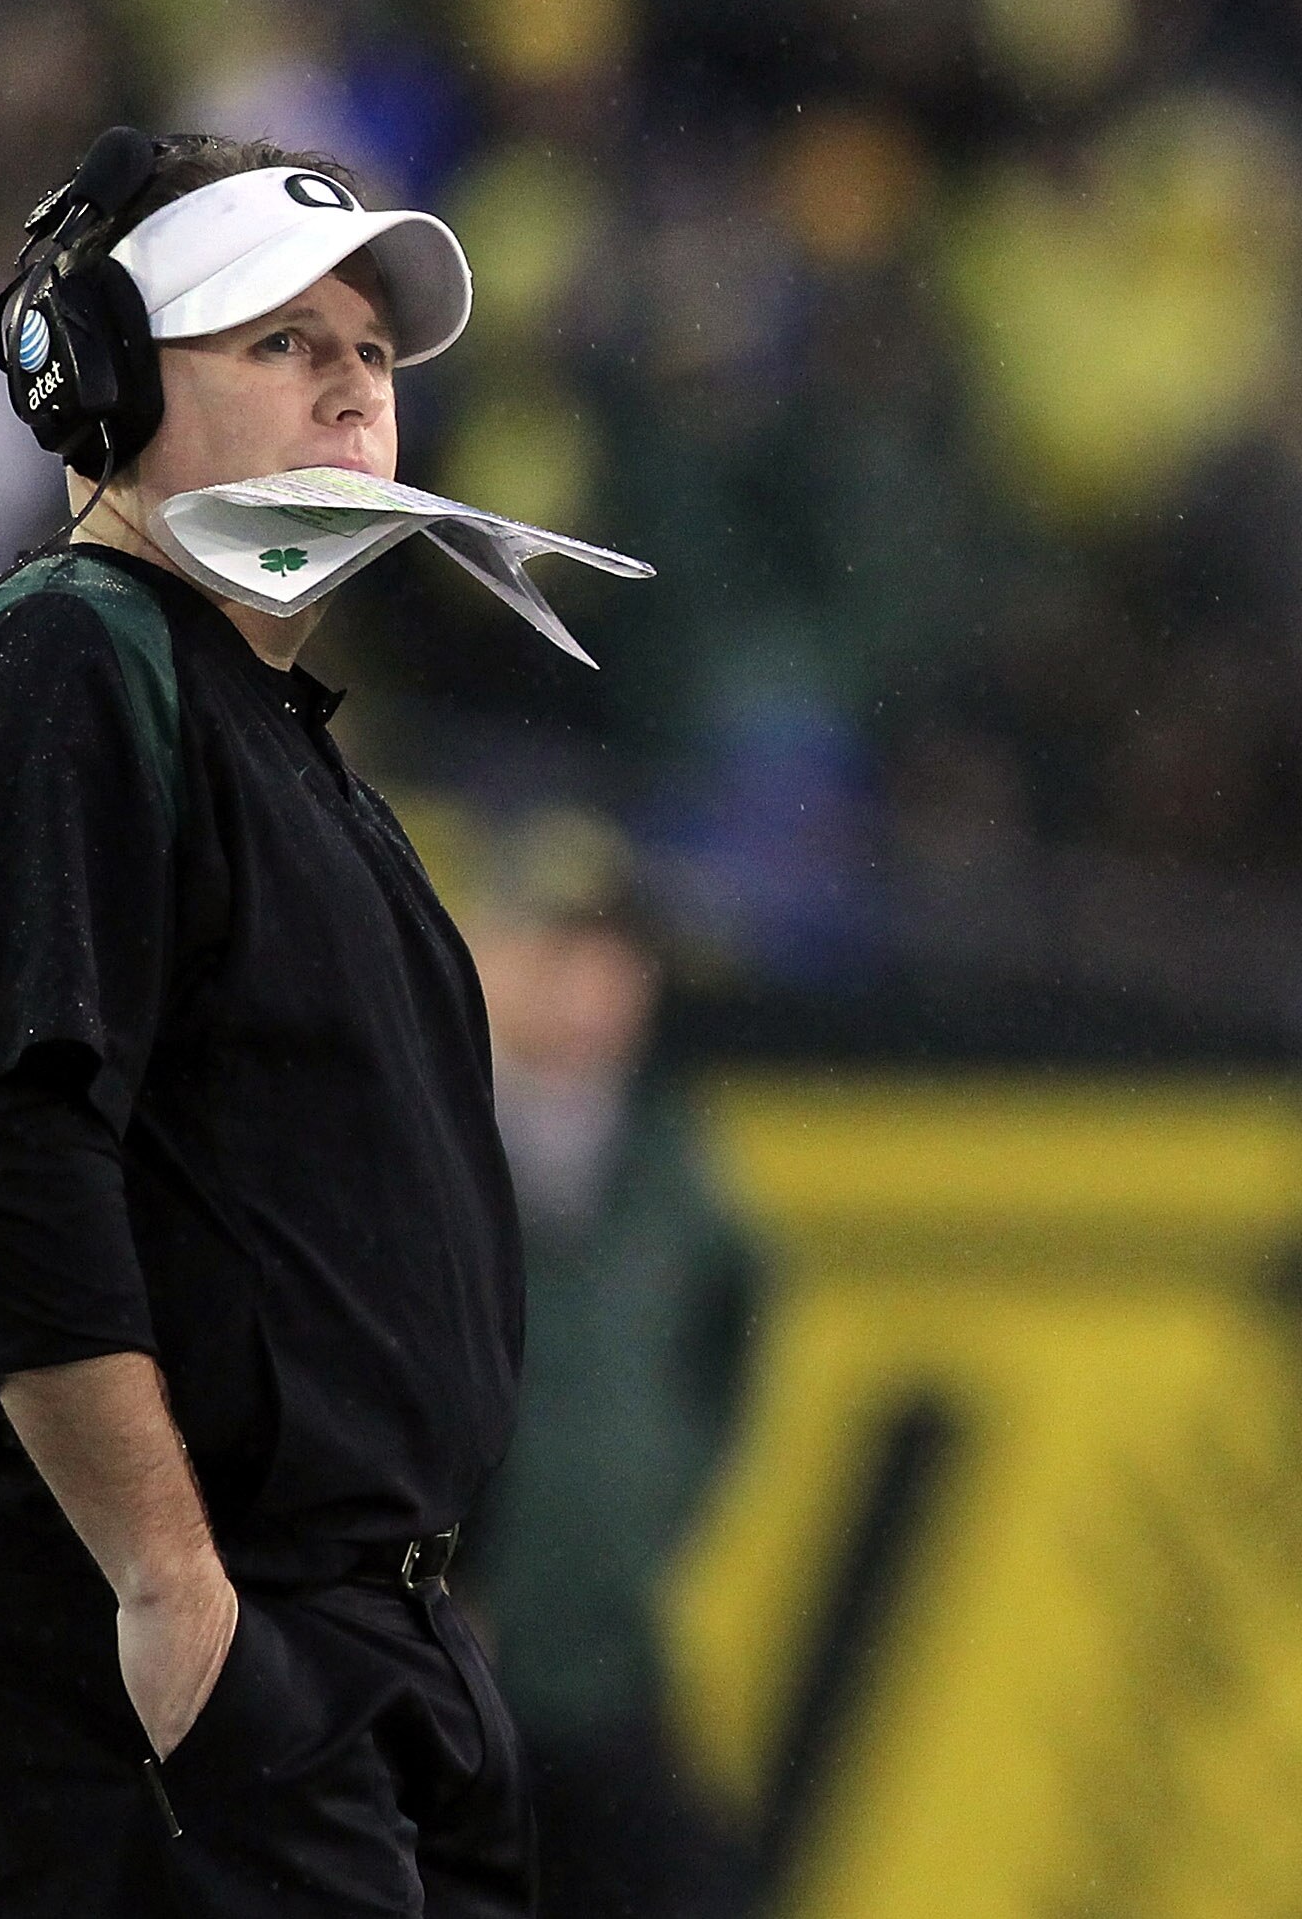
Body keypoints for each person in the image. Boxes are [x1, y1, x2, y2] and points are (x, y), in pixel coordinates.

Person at [0, 131, 534, 1916]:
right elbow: (5, 1149)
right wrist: (173, 1587)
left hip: (348, 1629)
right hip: (179, 1616)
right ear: (107, 378)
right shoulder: (68, 654)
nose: (354, 386)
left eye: (372, 350)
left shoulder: (264, 724)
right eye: (282, 340)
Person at [462, 809, 762, 1919]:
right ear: (486, 952)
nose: (589, 989)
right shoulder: (419, 1132)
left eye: (616, 959)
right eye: (558, 950)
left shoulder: (670, 1161)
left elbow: (723, 1356)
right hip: (438, 1661)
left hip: (604, 1655)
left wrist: (639, 1518)